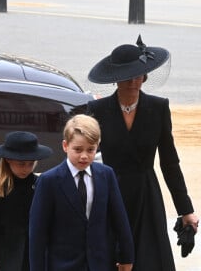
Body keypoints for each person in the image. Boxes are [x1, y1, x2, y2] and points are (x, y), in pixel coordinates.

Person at [86, 36, 199, 271]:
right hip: (111, 194)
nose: (134, 81)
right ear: (115, 79)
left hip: (147, 196)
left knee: (150, 261)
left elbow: (170, 162)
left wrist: (185, 209)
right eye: (127, 77)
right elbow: (85, 160)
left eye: (138, 75)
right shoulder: (97, 110)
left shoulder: (158, 108)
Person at [29, 114, 134, 271]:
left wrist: (127, 257)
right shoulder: (48, 181)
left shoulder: (106, 175)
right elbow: (37, 234)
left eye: (90, 150)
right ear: (65, 146)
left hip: (100, 264)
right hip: (62, 265)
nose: (84, 156)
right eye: (78, 149)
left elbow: (120, 219)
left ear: (97, 147)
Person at [0, 131, 53, 271]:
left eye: (30, 164)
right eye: (21, 163)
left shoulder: (39, 185)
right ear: (8, 159)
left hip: (33, 255)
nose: (26, 168)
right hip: (4, 255)